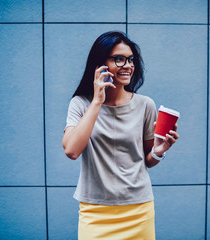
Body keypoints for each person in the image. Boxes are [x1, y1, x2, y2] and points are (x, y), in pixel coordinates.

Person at [62, 31, 179, 240]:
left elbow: (147, 161)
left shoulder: (145, 104)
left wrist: (159, 152)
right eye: (119, 59)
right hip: (95, 211)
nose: (128, 65)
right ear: (100, 64)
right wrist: (97, 101)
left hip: (138, 209)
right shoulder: (80, 104)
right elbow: (71, 150)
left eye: (131, 59)